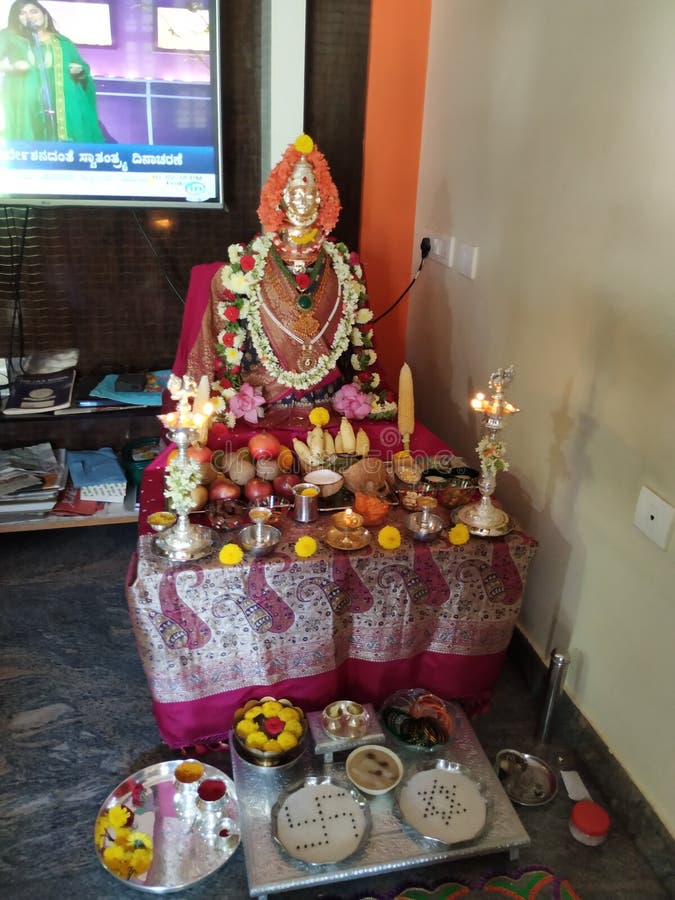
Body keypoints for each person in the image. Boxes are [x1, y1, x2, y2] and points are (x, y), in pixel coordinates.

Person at [182, 134, 393, 427]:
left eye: (310, 194)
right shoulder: (251, 264)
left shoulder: (343, 264)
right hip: (266, 403)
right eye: (295, 193)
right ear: (280, 198)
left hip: (328, 404)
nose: (302, 201)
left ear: (322, 200)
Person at [0, 1, 105, 142]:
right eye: (22, 13)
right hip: (26, 104)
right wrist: (12, 68)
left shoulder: (62, 42)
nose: (28, 16)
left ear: (44, 15)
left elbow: (83, 68)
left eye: (33, 11)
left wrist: (79, 71)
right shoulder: (10, 36)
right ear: (16, 18)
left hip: (62, 103)